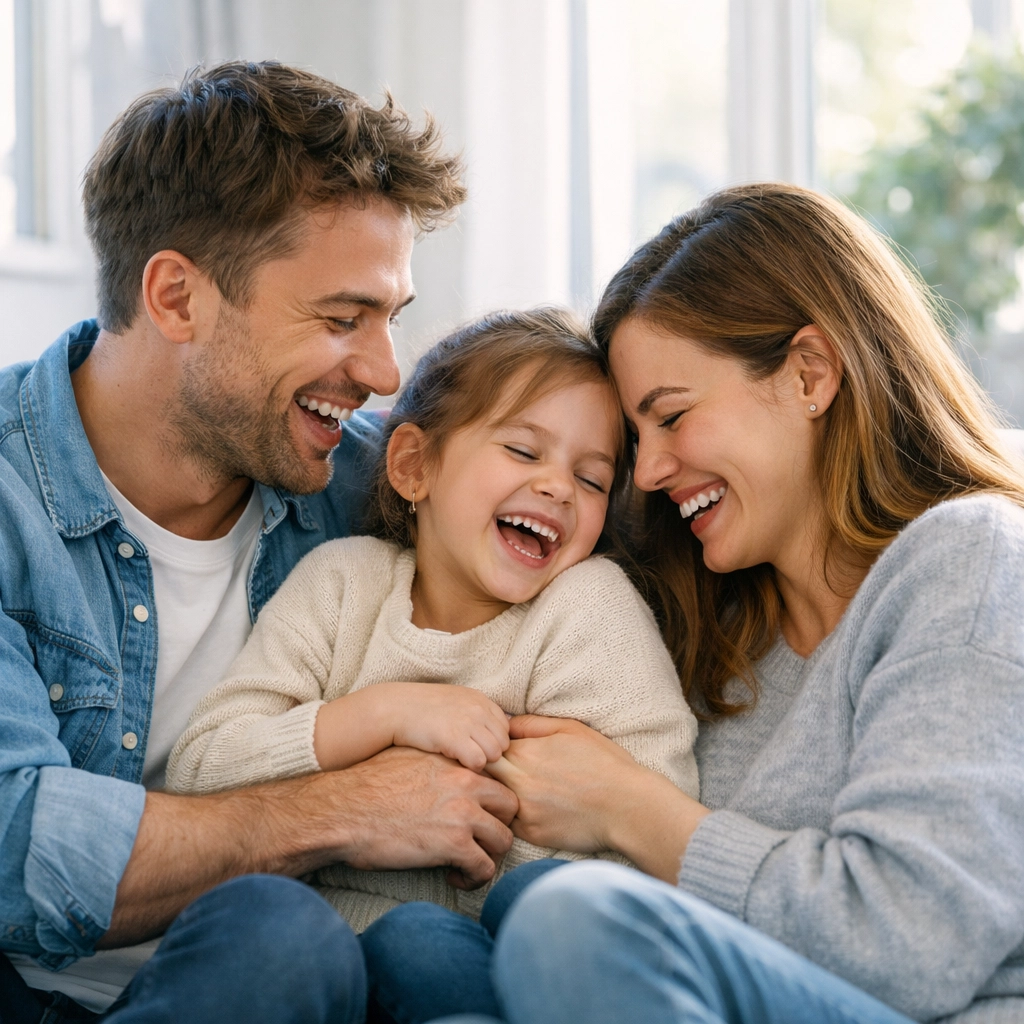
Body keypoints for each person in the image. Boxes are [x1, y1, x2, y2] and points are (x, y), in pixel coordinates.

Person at [0, 60, 521, 1024]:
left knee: (284, 936)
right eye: (340, 318)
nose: (382, 370)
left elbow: (583, 503)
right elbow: (15, 848)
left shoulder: (379, 486)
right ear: (176, 298)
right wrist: (350, 808)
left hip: (263, 981)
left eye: (390, 318)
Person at [467, 183, 1024, 1024]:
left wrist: (631, 809)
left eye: (673, 417)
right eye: (633, 442)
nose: (648, 471)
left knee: (569, 923)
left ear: (810, 373)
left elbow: (910, 942)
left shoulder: (969, 562)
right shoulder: (706, 630)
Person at [167, 307, 699, 1023]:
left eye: (593, 479)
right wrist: (383, 715)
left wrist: (468, 841)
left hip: (474, 968)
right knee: (264, 922)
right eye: (522, 450)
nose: (557, 488)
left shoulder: (586, 608)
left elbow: (638, 869)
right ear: (415, 465)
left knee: (419, 939)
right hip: (310, 969)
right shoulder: (342, 583)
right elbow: (201, 771)